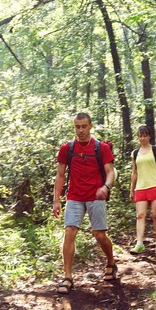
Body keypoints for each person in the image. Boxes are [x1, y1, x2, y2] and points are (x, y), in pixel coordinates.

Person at [53, 112, 117, 294]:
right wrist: (56, 200)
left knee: (99, 235)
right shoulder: (67, 148)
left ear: (90, 126)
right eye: (77, 127)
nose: (80, 130)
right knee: (69, 231)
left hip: (96, 196)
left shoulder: (101, 148)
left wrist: (106, 186)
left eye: (83, 126)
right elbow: (60, 175)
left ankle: (111, 262)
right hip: (74, 196)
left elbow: (110, 172)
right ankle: (67, 277)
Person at [129, 125, 156, 254]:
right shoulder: (135, 153)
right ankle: (139, 243)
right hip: (140, 187)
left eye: (144, 135)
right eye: (140, 136)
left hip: (155, 184)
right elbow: (134, 172)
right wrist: (132, 189)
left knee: (155, 215)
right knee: (140, 215)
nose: (142, 138)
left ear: (149, 136)